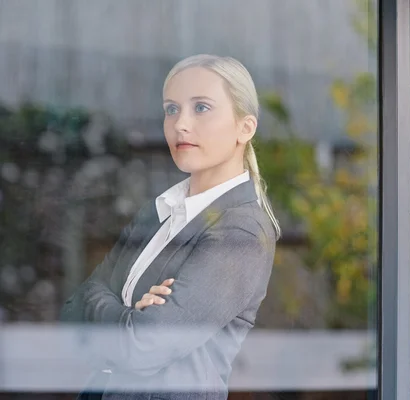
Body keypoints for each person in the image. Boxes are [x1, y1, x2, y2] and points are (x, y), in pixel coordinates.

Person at [59, 54, 280, 400]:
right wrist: (129, 317)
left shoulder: (242, 232)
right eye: (171, 109)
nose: (180, 124)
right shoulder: (159, 211)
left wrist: (109, 312)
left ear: (245, 127)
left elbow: (143, 348)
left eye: (202, 108)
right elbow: (72, 309)